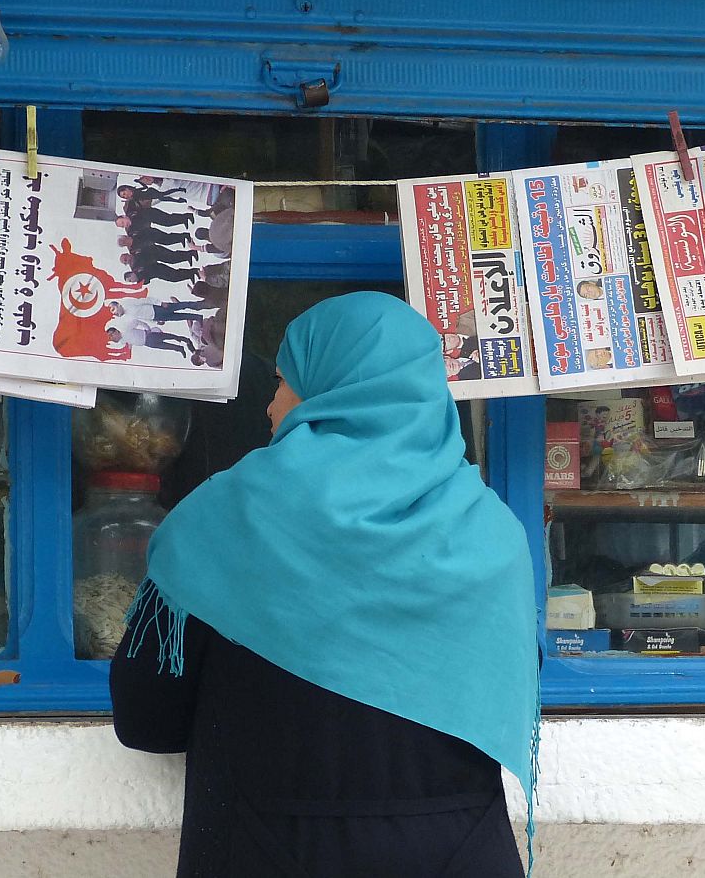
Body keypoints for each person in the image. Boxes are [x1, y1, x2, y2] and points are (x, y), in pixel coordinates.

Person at [111, 292, 538, 878]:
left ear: (334, 390)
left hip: (262, 851)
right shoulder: (491, 534)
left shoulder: (225, 518)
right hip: (459, 855)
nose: (269, 406)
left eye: (284, 382)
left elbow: (147, 719)